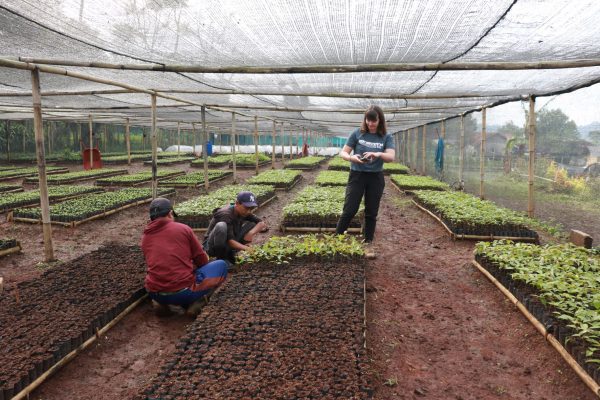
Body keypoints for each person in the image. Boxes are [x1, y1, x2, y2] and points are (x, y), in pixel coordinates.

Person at [141, 197, 228, 317]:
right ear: (170, 213)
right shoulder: (183, 229)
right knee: (221, 265)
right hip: (182, 292)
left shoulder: (145, 236)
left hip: (154, 292)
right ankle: (197, 303)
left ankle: (160, 303)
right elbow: (202, 260)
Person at [335, 105, 396, 258]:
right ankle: (336, 239)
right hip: (357, 175)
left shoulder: (386, 136)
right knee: (349, 209)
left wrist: (378, 154)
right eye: (368, 121)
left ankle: (368, 243)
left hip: (375, 177)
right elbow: (343, 152)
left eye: (374, 121)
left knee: (371, 212)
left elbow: (391, 157)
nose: (371, 124)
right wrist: (351, 158)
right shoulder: (357, 133)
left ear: (379, 120)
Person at [203, 191, 268, 264]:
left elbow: (262, 223)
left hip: (228, 241)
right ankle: (222, 258)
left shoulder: (244, 212)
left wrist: (250, 233)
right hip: (211, 246)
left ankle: (230, 254)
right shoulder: (225, 214)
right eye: (246, 208)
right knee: (221, 226)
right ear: (237, 203)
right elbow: (230, 241)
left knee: (252, 224)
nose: (249, 211)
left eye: (251, 208)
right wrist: (247, 249)